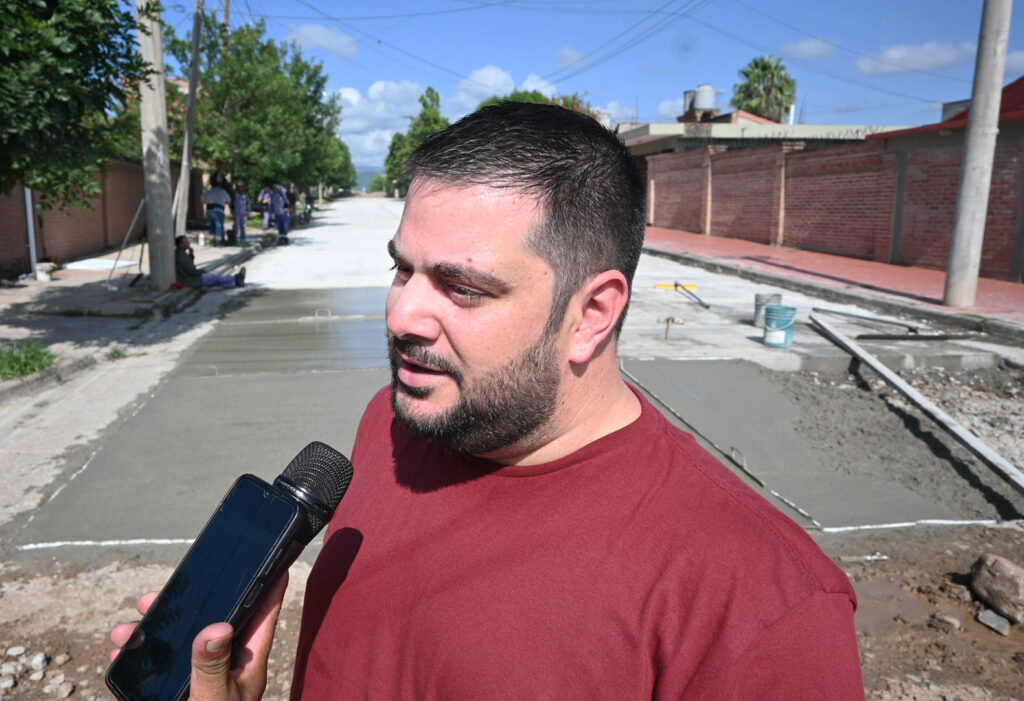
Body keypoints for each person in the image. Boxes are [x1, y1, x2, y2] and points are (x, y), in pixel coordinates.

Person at [113, 103, 863, 699]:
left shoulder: (763, 602)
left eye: (462, 286)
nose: (402, 315)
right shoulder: (391, 424)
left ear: (592, 314)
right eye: (402, 270)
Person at [173, 235, 245, 289]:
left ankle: (235, 283)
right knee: (215, 277)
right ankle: (236, 278)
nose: (188, 243)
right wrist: (201, 271)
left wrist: (191, 254)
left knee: (215, 282)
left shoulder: (182, 253)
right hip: (191, 279)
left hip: (193, 278)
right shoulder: (180, 255)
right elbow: (191, 270)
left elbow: (190, 265)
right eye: (186, 242)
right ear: (180, 244)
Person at [201, 179, 232, 246]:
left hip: (210, 210)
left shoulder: (208, 192)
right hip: (219, 209)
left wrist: (209, 201)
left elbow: (202, 201)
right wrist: (223, 202)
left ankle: (213, 242)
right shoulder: (223, 192)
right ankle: (218, 242)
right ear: (219, 185)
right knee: (219, 225)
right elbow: (229, 201)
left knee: (212, 225)